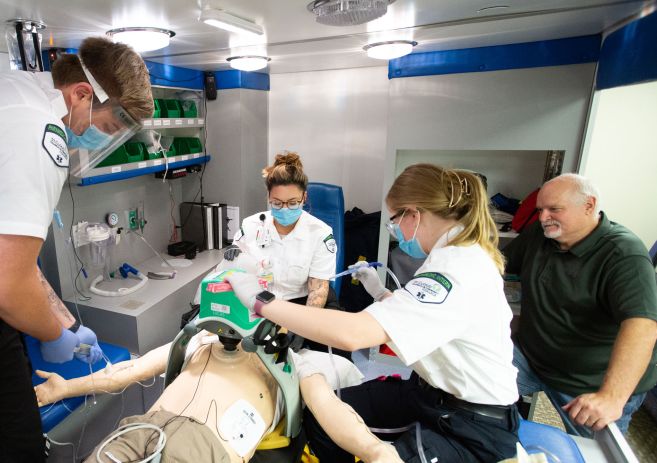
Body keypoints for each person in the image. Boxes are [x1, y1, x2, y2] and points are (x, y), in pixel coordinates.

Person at [227, 163, 520, 463]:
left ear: (414, 214)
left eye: (393, 221)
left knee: (336, 414)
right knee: (322, 419)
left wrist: (260, 301)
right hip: (427, 394)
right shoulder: (452, 256)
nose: (393, 230)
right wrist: (380, 293)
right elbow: (422, 317)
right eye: (276, 203)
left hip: (469, 425)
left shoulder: (456, 268)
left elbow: (353, 333)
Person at [0, 36, 153, 462]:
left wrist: (66, 327)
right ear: (82, 93)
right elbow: (8, 285)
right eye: (103, 127)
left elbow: (12, 256)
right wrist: (55, 336)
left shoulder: (13, 90)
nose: (87, 138)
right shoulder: (41, 131)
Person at [34, 331, 399, 463]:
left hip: (204, 447)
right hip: (143, 426)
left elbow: (329, 407)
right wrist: (65, 388)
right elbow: (128, 372)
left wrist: (374, 450)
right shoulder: (199, 339)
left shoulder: (294, 362)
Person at [503, 173, 657, 436]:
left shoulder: (623, 254)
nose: (542, 217)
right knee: (476, 396)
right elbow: (499, 265)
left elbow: (642, 327)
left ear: (589, 206)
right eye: (540, 209)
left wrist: (611, 397)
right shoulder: (540, 235)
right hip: (531, 359)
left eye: (554, 209)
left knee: (595, 451)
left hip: (589, 382)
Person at [224, 151, 344, 354]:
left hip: (301, 300)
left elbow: (318, 289)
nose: (285, 209)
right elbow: (237, 261)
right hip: (260, 300)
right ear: (269, 197)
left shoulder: (320, 233)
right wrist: (234, 252)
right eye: (277, 203)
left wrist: (303, 326)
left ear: (304, 197)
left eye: (293, 203)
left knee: (335, 346)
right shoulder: (252, 225)